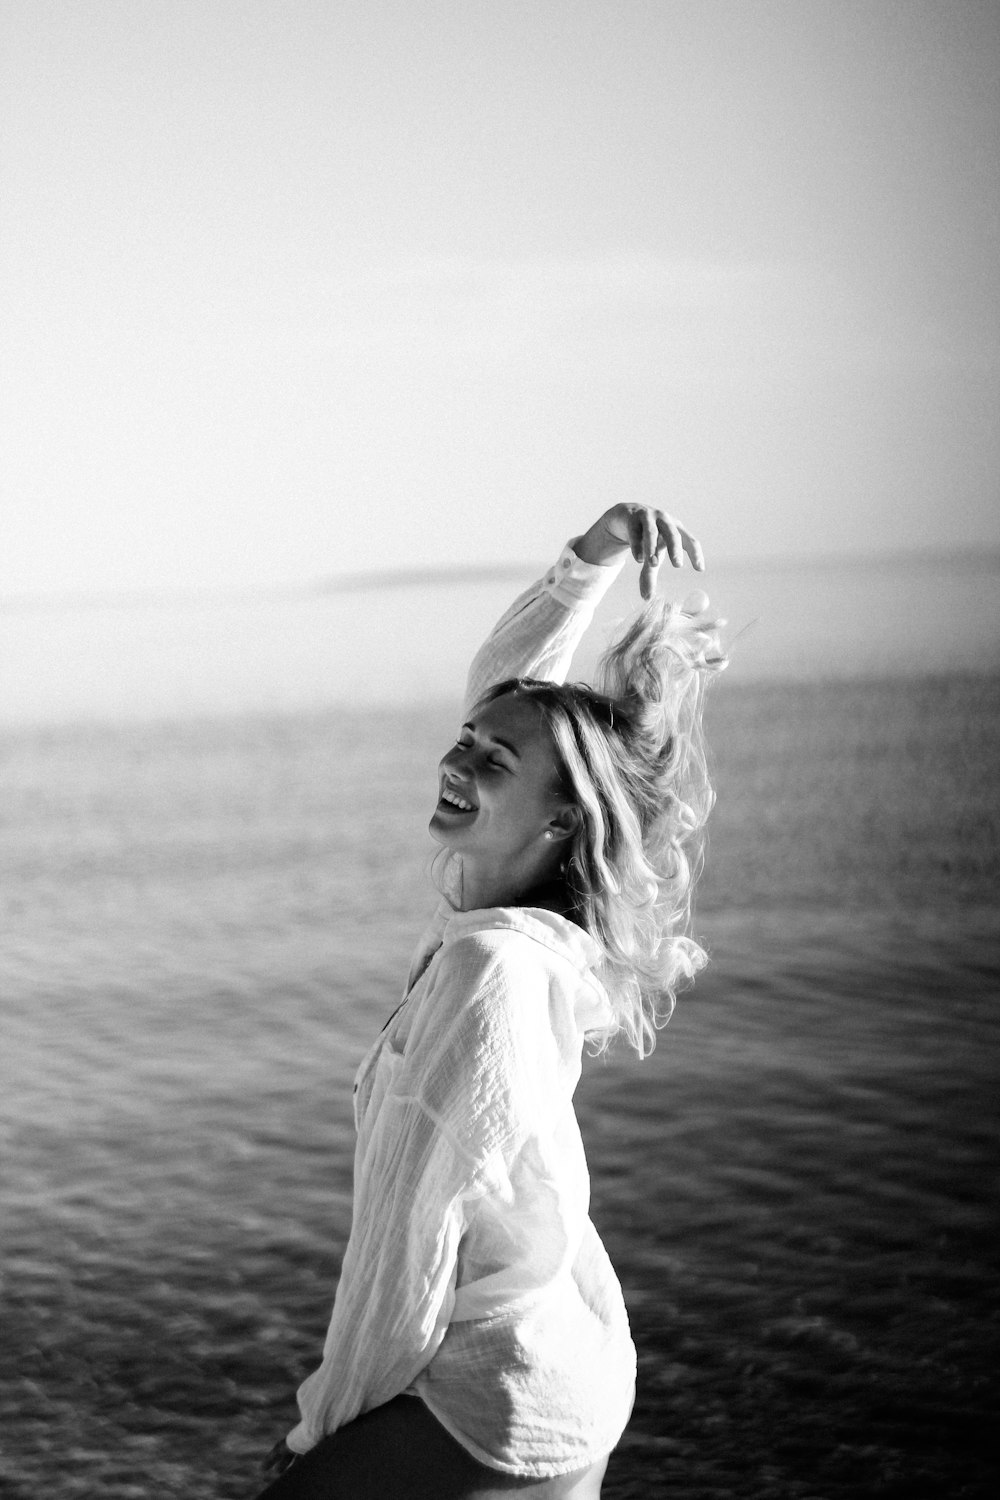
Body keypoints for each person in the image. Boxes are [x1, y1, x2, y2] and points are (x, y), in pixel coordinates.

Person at [255, 503, 726, 1499]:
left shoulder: (491, 972)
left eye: (488, 761)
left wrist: (323, 1428)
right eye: (464, 741)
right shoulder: (515, 935)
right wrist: (591, 558)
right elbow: (509, 694)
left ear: (559, 820)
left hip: (498, 1389)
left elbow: (407, 1249)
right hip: (555, 1359)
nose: (456, 759)